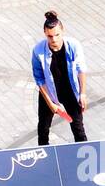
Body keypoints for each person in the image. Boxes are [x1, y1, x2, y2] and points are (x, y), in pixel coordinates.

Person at [31, 9, 88, 145]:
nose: (54, 39)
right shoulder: (38, 51)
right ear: (45, 33)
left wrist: (83, 94)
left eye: (57, 35)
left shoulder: (74, 46)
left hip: (70, 92)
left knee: (78, 129)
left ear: (63, 30)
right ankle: (44, 157)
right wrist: (51, 103)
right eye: (50, 36)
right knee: (43, 129)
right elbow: (39, 79)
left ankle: (85, 158)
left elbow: (81, 69)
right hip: (49, 93)